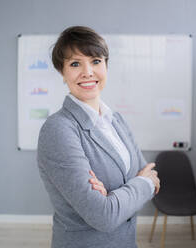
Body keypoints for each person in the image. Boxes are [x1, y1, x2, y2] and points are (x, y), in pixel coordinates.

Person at [37, 26, 160, 248]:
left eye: (95, 61)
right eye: (75, 64)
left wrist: (113, 197)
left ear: (106, 65)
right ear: (62, 73)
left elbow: (150, 176)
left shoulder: (116, 120)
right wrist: (140, 185)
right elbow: (104, 216)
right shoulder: (58, 130)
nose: (88, 72)